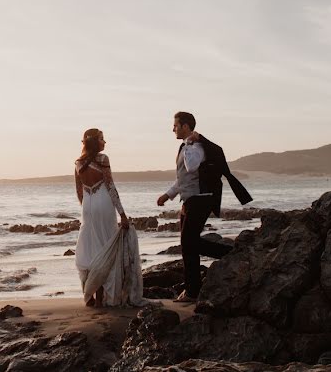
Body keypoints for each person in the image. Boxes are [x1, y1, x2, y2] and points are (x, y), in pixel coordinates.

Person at [157, 111, 236, 302]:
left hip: (201, 198)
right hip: (189, 199)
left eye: (175, 125)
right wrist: (168, 195)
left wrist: (191, 143)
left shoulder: (197, 146)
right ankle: (225, 257)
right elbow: (183, 178)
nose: (172, 129)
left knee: (188, 242)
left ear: (185, 126)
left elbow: (192, 166)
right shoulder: (184, 147)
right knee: (188, 243)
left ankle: (194, 289)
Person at [74, 128, 143, 307]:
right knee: (106, 249)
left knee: (89, 248)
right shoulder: (103, 159)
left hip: (87, 208)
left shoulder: (78, 162)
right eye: (102, 139)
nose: (105, 142)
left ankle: (90, 295)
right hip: (104, 205)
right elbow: (110, 187)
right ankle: (100, 298)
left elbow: (79, 192)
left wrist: (87, 208)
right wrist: (122, 214)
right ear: (95, 142)